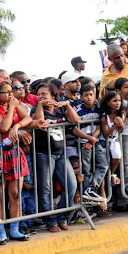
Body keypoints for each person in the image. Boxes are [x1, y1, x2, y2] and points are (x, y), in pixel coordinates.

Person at [0, 78, 33, 244]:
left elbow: (27, 118)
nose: (9, 94)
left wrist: (17, 127)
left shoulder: (13, 105)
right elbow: (3, 127)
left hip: (14, 152)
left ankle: (15, 229)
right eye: (5, 92)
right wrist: (13, 109)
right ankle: (1, 230)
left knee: (15, 193)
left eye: (10, 91)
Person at [31, 83, 80, 233]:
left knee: (71, 185)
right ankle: (50, 220)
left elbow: (76, 120)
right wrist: (40, 105)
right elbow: (40, 122)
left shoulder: (60, 110)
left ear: (53, 95)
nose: (41, 96)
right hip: (44, 153)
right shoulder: (36, 109)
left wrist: (67, 105)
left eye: (44, 94)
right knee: (45, 188)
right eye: (39, 94)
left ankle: (61, 216)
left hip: (60, 153)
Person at [72, 85, 108, 204]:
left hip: (94, 141)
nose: (89, 97)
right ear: (81, 97)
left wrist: (93, 139)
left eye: (91, 95)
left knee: (103, 165)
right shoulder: (77, 110)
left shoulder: (98, 109)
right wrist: (88, 139)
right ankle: (86, 197)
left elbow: (98, 126)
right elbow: (74, 129)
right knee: (86, 170)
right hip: (83, 143)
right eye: (86, 95)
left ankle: (90, 190)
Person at [99, 91, 125, 207]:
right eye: (114, 101)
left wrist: (121, 124)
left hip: (114, 140)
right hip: (104, 142)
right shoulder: (105, 117)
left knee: (117, 156)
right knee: (103, 166)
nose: (117, 103)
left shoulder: (122, 113)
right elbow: (105, 134)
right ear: (108, 103)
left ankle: (112, 173)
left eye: (119, 100)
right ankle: (103, 193)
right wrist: (114, 125)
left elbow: (120, 131)